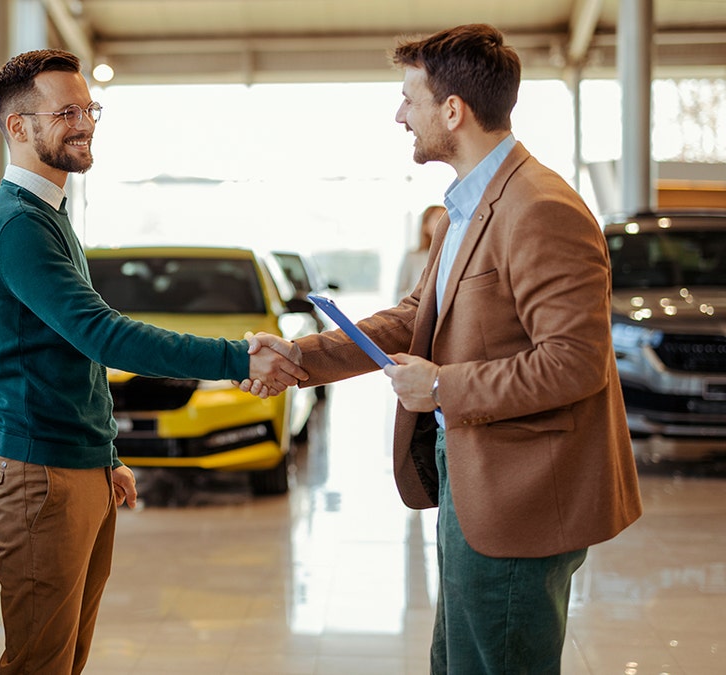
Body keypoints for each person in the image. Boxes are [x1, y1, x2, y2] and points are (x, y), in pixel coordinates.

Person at [245, 24, 642, 673]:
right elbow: (413, 318)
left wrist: (439, 389)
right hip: (474, 477)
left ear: (452, 109)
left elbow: (574, 361)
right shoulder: (470, 203)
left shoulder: (540, 207)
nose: (400, 114)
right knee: (457, 659)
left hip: (521, 498)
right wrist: (302, 359)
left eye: (410, 98)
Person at [0, 48, 307, 675]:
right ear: (18, 127)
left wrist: (105, 457)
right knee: (39, 663)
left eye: (89, 108)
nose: (85, 123)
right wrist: (237, 356)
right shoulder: (17, 225)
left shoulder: (49, 215)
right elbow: (102, 336)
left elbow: (72, 355)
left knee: (67, 658)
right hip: (40, 479)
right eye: (65, 111)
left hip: (72, 469)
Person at [395, 204, 445, 299]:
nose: (446, 224)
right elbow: (399, 293)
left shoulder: (454, 256)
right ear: (425, 226)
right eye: (439, 218)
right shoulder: (412, 257)